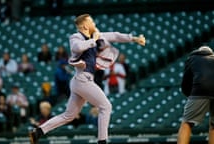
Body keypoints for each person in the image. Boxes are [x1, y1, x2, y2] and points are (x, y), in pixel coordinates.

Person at [29, 13, 145, 144]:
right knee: (106, 106)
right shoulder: (76, 36)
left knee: (69, 115)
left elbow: (115, 35)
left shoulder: (95, 35)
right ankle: (102, 141)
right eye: (91, 22)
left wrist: (133, 38)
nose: (94, 24)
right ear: (84, 26)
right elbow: (76, 47)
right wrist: (93, 41)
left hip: (81, 81)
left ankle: (38, 132)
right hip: (82, 79)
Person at [177, 46, 214, 144]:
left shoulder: (192, 58)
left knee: (187, 123)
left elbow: (186, 82)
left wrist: (190, 95)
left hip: (201, 88)